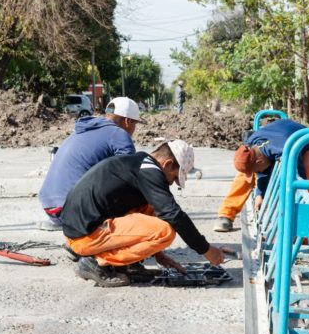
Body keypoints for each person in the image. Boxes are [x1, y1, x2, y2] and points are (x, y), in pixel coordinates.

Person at [61, 139, 228, 287]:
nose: (172, 182)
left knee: (154, 206)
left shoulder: (139, 163)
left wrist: (156, 253)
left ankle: (129, 265)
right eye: (174, 177)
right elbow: (175, 215)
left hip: (82, 228)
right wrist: (206, 250)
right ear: (168, 164)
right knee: (165, 231)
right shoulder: (149, 171)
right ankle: (95, 262)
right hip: (84, 237)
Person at [37, 97, 141, 231]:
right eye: (135, 124)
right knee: (137, 191)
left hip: (50, 209)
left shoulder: (84, 129)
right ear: (127, 121)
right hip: (72, 211)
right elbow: (129, 176)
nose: (134, 129)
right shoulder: (119, 134)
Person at [214, 117, 309, 232]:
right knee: (243, 177)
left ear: (260, 161)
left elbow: (296, 178)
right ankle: (226, 214)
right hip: (279, 141)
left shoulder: (284, 151)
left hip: (304, 144)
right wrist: (259, 194)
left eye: (257, 170)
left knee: (308, 179)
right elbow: (262, 171)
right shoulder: (252, 145)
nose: (257, 172)